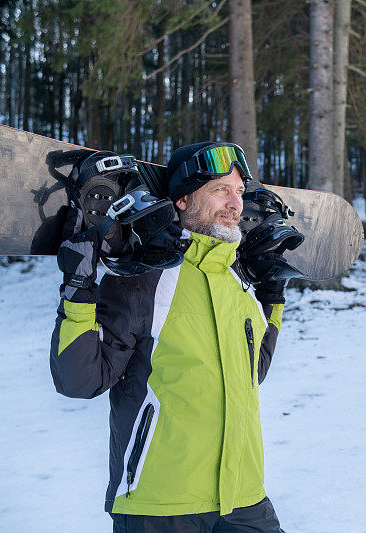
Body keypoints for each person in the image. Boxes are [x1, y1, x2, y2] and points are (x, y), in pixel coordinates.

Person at [50, 142, 287, 532]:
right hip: (161, 506)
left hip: (246, 499)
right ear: (182, 200)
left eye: (240, 192)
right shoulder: (144, 280)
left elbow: (252, 373)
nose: (235, 204)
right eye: (220, 190)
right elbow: (80, 380)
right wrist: (78, 286)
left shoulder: (237, 280)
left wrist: (272, 294)